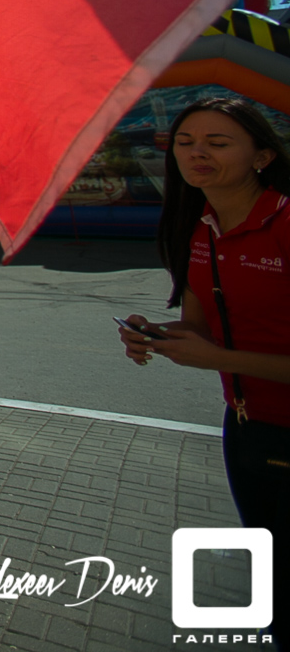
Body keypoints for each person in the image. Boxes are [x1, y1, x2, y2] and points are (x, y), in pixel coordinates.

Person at [120, 97, 290, 637]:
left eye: (218, 143)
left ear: (262, 155)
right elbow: (201, 330)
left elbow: (217, 350)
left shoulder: (285, 223)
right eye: (187, 143)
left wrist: (219, 360)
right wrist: (158, 337)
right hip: (245, 427)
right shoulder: (201, 229)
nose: (197, 154)